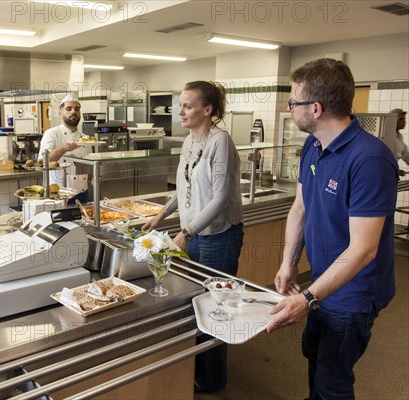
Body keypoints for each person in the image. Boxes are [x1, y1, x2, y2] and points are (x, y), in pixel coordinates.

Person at [267, 59, 398, 400]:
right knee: (315, 356)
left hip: (354, 293)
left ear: (316, 107)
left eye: (293, 103)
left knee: (333, 379)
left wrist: (308, 296)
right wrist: (288, 261)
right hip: (323, 281)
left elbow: (363, 249)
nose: (289, 109)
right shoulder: (312, 145)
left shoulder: (369, 159)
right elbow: (301, 206)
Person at [142, 81, 244, 392]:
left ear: (207, 110)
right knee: (195, 303)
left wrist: (187, 231)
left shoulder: (220, 142)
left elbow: (221, 198)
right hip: (194, 235)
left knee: (216, 306)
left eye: (187, 105)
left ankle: (213, 379)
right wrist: (160, 215)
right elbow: (184, 187)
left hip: (217, 237)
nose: (180, 111)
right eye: (180, 105)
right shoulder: (190, 140)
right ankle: (197, 366)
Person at [38, 93, 91, 203]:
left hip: (82, 193)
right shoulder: (51, 133)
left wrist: (93, 177)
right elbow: (43, 161)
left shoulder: (85, 138)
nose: (73, 112)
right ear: (60, 113)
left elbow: (87, 165)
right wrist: (63, 148)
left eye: (77, 109)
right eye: (69, 109)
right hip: (58, 193)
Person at [391, 108, 409, 173]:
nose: (404, 121)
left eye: (404, 119)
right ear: (392, 120)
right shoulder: (387, 136)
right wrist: (396, 170)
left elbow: (406, 155)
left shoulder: (400, 136)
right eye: (401, 119)